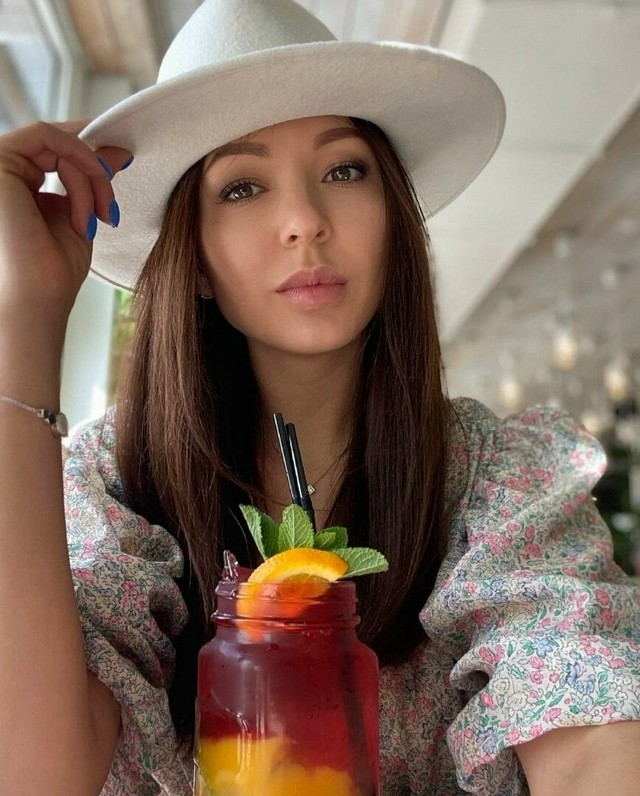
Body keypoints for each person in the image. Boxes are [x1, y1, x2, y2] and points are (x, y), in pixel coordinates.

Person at [1, 0, 639, 794]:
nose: (304, 221)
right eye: (242, 187)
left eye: (344, 170)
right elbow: (32, 773)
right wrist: (23, 318)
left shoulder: (496, 476)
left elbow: (589, 724)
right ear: (194, 259)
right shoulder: (114, 480)